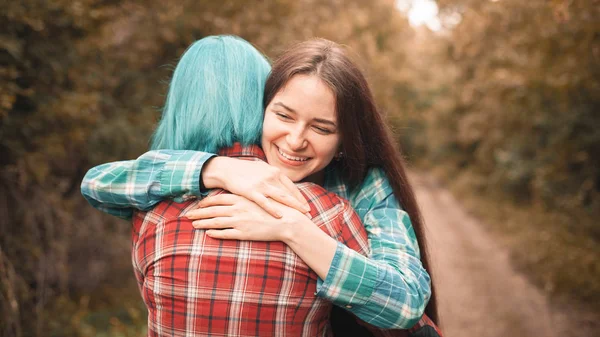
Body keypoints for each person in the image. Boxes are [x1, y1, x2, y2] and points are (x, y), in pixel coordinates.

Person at [82, 38, 438, 331]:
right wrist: (216, 170)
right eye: (283, 115)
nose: (295, 140)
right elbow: (98, 183)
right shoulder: (218, 178)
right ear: (260, 108)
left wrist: (295, 228)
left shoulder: (361, 188)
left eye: (322, 128)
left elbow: (405, 302)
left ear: (346, 140)